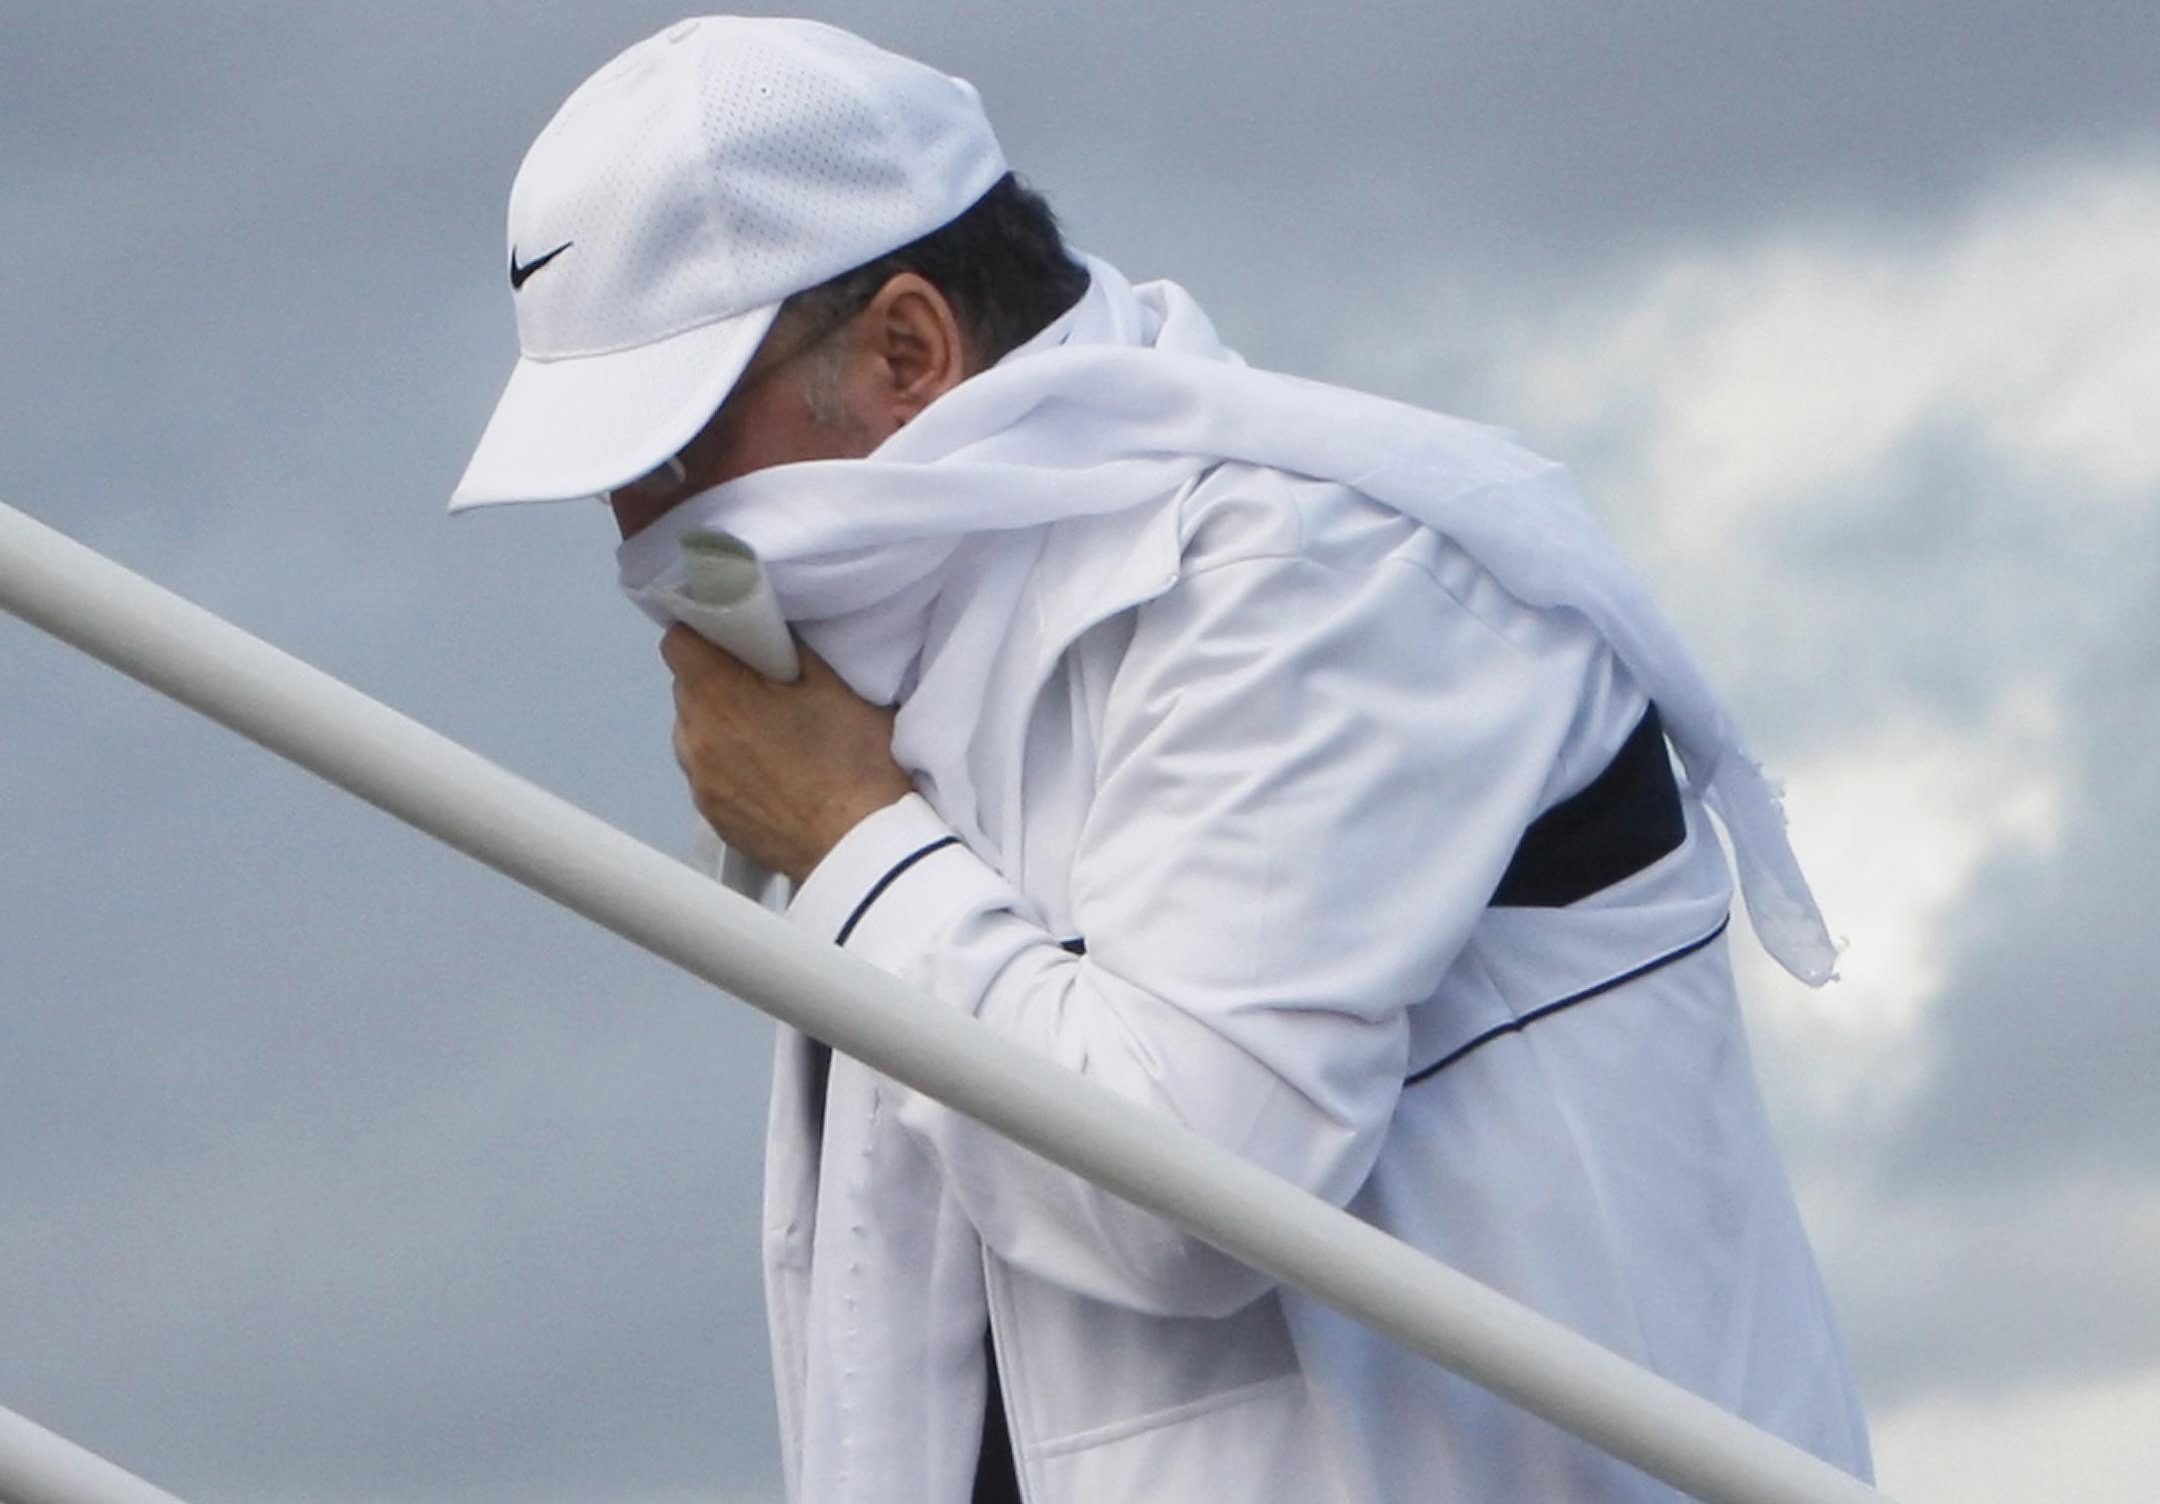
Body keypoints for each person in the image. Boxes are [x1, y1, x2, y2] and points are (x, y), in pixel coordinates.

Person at [451, 16, 1872, 1504]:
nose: (636, 528)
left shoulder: (1316, 577)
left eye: (671, 450)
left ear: (910, 351)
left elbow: (1195, 1190)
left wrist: (856, 843)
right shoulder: (941, 658)